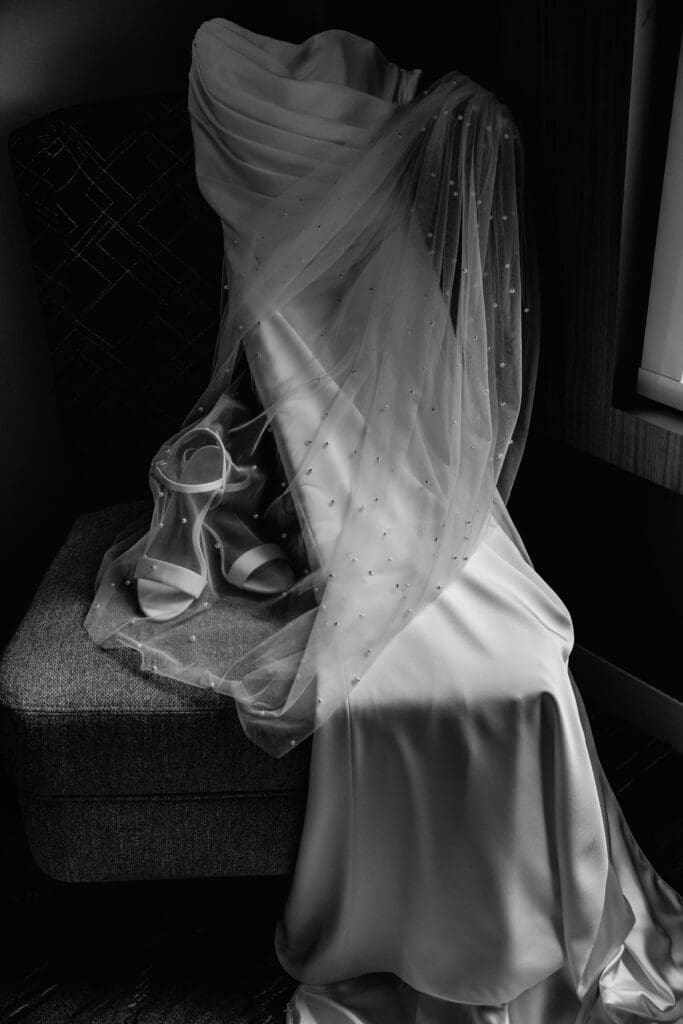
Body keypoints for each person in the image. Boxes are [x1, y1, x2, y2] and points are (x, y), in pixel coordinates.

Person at [85, 19, 683, 1023]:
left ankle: (516, 915)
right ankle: (461, 921)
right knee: (401, 664)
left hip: (390, 391)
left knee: (519, 653)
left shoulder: (361, 100)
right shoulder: (236, 65)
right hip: (313, 384)